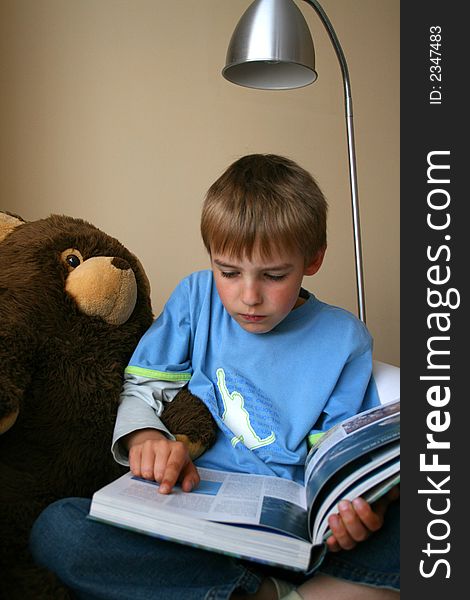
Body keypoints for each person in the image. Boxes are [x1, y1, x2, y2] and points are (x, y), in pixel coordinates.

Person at [30, 154, 399, 600]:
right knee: (59, 529)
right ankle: (265, 593)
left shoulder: (345, 338)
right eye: (228, 272)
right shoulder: (194, 298)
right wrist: (145, 438)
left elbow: (335, 455)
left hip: (294, 531)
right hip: (188, 520)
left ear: (313, 259)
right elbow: (145, 387)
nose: (249, 296)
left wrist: (356, 508)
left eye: (274, 276)